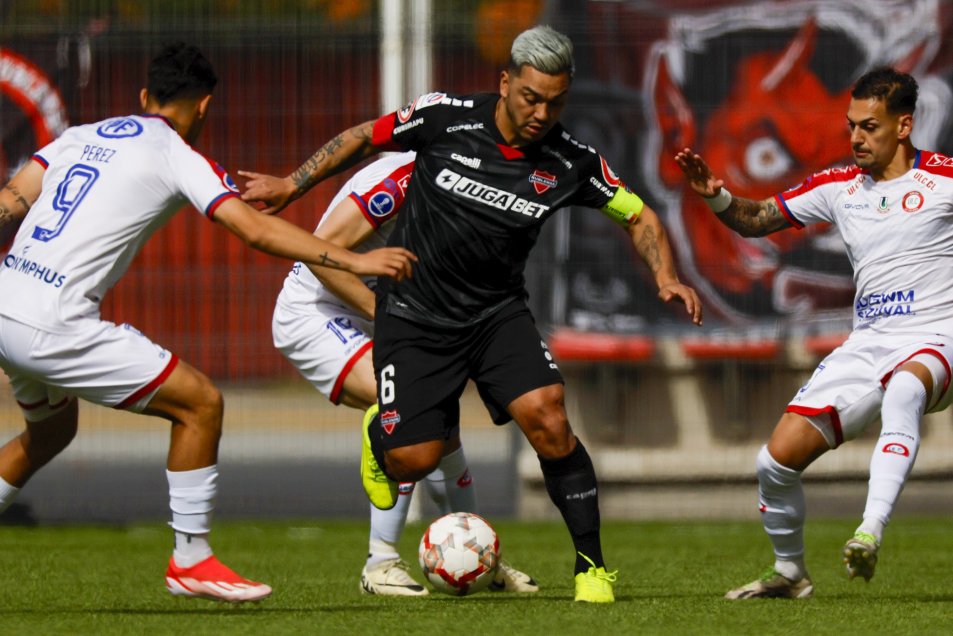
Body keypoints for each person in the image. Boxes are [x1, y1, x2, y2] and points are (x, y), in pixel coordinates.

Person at [243, 25, 703, 603]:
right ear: (505, 81)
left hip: (495, 315)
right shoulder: (443, 119)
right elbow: (364, 137)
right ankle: (386, 441)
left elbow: (637, 215)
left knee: (550, 417)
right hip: (415, 313)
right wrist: (292, 182)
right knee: (415, 454)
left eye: (555, 102)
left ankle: (592, 568)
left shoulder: (571, 160)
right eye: (531, 97)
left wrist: (665, 276)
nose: (541, 113)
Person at [0, 42, 415, 603]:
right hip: (54, 327)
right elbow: (256, 231)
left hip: (6, 304)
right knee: (200, 403)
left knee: (51, 431)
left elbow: (12, 199)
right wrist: (357, 260)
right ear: (204, 107)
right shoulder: (176, 153)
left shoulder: (78, 136)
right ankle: (191, 559)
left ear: (145, 96)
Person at [675, 66, 953, 599]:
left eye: (869, 126)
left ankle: (868, 533)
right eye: (851, 125)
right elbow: (756, 219)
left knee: (905, 388)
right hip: (868, 343)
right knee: (775, 461)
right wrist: (715, 195)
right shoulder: (837, 187)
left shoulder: (943, 177)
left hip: (936, 337)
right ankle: (789, 572)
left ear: (903, 126)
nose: (855, 137)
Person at [271, 150, 537, 596]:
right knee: (406, 412)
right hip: (317, 311)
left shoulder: (477, 185)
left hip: (386, 313)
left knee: (442, 427)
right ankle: (380, 564)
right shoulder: (400, 181)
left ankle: (483, 559)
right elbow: (321, 255)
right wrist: (392, 317)